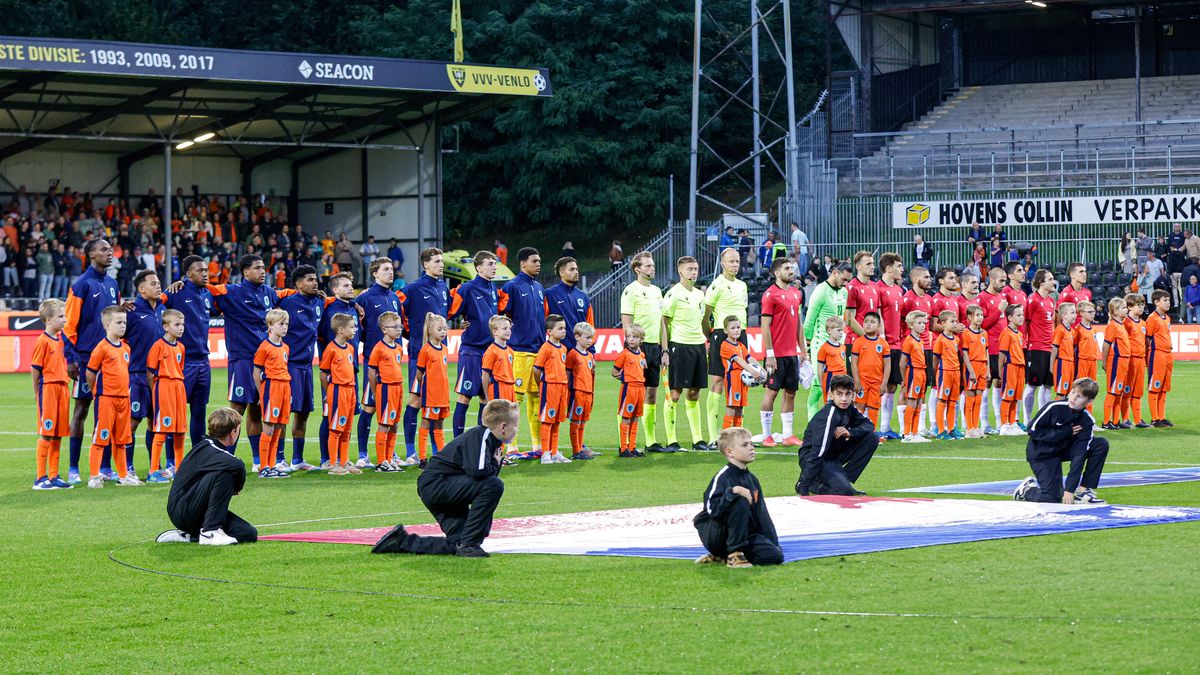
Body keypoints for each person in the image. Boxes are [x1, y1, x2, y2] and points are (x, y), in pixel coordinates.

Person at [370, 399, 519, 558]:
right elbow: (478, 471)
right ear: (503, 426)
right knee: (494, 485)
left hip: (440, 486)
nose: (516, 430)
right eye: (515, 425)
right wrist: (496, 465)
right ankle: (469, 545)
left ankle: (402, 542)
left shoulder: (490, 440)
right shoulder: (483, 435)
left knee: (457, 542)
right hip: (437, 484)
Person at [207, 254, 292, 462]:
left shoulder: (269, 293)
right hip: (242, 360)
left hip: (264, 361)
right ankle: (224, 457)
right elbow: (206, 289)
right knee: (236, 409)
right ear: (245, 271)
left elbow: (287, 293)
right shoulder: (232, 292)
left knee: (256, 409)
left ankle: (257, 460)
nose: (263, 271)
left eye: (264, 267)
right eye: (257, 267)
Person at [157, 407, 258, 546]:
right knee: (225, 473)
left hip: (194, 510)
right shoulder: (208, 448)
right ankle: (211, 531)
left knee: (248, 533)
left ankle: (188, 536)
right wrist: (236, 487)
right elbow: (238, 465)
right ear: (233, 432)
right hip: (182, 510)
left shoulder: (211, 448)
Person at [64, 238, 120, 484]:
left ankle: (106, 467)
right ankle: (73, 468)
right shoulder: (81, 285)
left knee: (106, 413)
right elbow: (68, 325)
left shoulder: (112, 283)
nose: (109, 253)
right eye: (104, 249)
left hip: (111, 358)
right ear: (90, 254)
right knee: (82, 410)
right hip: (86, 358)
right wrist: (71, 358)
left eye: (110, 249)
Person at [693, 426, 783, 568]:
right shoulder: (723, 477)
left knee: (775, 555)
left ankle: (723, 556)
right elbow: (712, 510)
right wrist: (733, 492)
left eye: (751, 444)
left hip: (744, 534)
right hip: (716, 533)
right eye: (745, 445)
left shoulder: (752, 479)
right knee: (740, 500)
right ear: (730, 452)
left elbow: (761, 515)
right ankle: (733, 554)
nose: (751, 448)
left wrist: (773, 543)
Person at [1012, 378, 1108, 505]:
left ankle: (1084, 490)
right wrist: (1064, 432)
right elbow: (1032, 430)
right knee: (1052, 498)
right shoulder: (1053, 407)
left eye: (1079, 396)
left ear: (1089, 401)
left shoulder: (1086, 420)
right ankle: (1026, 490)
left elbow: (1080, 455)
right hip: (1042, 453)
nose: (1073, 398)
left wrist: (1070, 489)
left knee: (1100, 444)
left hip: (1062, 450)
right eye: (1073, 393)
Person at [795, 374, 877, 496]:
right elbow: (818, 451)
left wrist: (850, 432)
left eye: (848, 394)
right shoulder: (829, 414)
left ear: (852, 395)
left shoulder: (849, 408)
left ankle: (844, 479)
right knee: (844, 492)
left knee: (872, 438)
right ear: (831, 395)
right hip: (815, 458)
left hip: (832, 455)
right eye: (839, 394)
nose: (844, 399)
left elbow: (869, 425)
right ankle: (813, 484)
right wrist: (804, 484)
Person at [276, 265, 323, 472]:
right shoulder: (287, 302)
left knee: (303, 413)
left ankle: (297, 459)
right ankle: (279, 459)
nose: (315, 283)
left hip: (307, 366)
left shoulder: (320, 301)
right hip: (290, 366)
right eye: (310, 280)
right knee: (285, 414)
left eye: (316, 279)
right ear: (298, 284)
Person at [499, 247, 546, 458]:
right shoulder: (511, 287)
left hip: (538, 350)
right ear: (523, 264)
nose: (538, 264)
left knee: (536, 397)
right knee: (514, 399)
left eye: (539, 261)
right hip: (519, 351)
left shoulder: (538, 287)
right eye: (534, 261)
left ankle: (537, 446)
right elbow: (501, 315)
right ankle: (511, 447)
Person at [356, 258, 402, 468]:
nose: (390, 273)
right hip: (374, 363)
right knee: (369, 407)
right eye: (385, 269)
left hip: (394, 363)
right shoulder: (365, 297)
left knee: (392, 409)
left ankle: (390, 454)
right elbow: (360, 329)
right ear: (375, 273)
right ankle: (363, 454)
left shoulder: (394, 298)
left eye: (391, 269)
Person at [449, 251, 501, 437]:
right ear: (478, 267)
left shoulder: (493, 288)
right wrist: (459, 323)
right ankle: (457, 442)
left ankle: (481, 441)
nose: (494, 267)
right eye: (490, 264)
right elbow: (450, 310)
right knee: (464, 396)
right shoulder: (467, 288)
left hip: (490, 352)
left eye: (494, 264)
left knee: (484, 398)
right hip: (471, 351)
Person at [86, 306, 138, 487]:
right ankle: (94, 476)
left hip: (123, 398)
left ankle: (123, 476)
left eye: (124, 322)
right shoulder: (101, 348)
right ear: (107, 325)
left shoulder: (126, 348)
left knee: (121, 439)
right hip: (106, 398)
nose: (123, 326)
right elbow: (90, 372)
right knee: (101, 437)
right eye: (118, 322)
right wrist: (98, 392)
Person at [165, 255, 214, 446]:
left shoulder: (208, 293)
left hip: (203, 360)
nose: (205, 273)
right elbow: (152, 303)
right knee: (175, 411)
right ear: (188, 274)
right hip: (182, 363)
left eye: (206, 270)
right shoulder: (176, 292)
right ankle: (171, 461)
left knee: (199, 410)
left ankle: (197, 453)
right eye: (200, 270)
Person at [758, 257, 807, 446]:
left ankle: (787, 435)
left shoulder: (796, 293)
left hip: (791, 354)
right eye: (787, 268)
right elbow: (764, 327)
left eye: (792, 267)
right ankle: (766, 435)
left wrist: (802, 350)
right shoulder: (770, 295)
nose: (791, 270)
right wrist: (769, 354)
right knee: (771, 393)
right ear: (777, 273)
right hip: (776, 355)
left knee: (791, 392)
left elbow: (798, 324)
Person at [661, 255, 708, 453]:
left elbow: (702, 320)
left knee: (695, 393)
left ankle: (698, 439)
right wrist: (665, 349)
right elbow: (664, 322)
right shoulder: (673, 294)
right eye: (689, 269)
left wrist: (706, 341)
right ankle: (672, 440)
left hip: (698, 345)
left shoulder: (700, 295)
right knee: (674, 394)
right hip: (679, 345)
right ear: (680, 271)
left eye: (695, 268)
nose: (693, 272)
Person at [122, 269, 166, 478]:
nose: (158, 286)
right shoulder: (129, 311)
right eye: (153, 283)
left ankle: (154, 467)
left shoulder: (163, 308)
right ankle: (126, 467)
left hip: (159, 376)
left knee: (154, 422)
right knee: (132, 421)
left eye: (159, 283)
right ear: (141, 289)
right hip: (137, 374)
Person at [619, 252, 665, 451]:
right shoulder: (631, 291)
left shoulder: (656, 291)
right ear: (637, 269)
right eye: (647, 266)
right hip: (638, 349)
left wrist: (665, 350)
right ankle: (625, 444)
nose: (651, 268)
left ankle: (650, 441)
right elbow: (627, 323)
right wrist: (631, 350)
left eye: (652, 265)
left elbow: (662, 322)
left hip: (655, 347)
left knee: (651, 395)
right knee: (631, 396)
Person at [704, 248, 749, 445]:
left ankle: (737, 435)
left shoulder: (742, 285)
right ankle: (714, 436)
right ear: (722, 263)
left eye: (737, 261)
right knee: (717, 383)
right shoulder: (717, 285)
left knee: (741, 382)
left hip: (741, 334)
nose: (735, 264)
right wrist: (712, 336)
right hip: (721, 335)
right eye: (731, 261)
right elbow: (706, 314)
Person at [31, 298, 72, 490]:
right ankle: (40, 477)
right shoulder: (42, 341)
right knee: (47, 432)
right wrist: (35, 391)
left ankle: (54, 475)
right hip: (47, 389)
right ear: (48, 319)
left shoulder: (61, 339)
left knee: (58, 433)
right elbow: (35, 368)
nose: (65, 319)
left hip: (62, 388)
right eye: (60, 316)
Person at [803, 261, 851, 420]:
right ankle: (812, 426)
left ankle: (834, 423)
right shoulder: (820, 291)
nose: (846, 283)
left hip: (838, 346)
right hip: (820, 345)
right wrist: (809, 347)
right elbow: (809, 322)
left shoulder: (844, 292)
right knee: (818, 386)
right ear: (835, 272)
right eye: (844, 279)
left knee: (838, 386)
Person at [145, 310, 188, 483]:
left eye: (182, 325)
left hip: (179, 387)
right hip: (163, 386)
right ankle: (153, 470)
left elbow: (180, 368)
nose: (181, 328)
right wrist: (156, 391)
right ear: (165, 326)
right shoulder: (158, 346)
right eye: (177, 325)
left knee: (180, 430)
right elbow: (150, 372)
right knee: (163, 429)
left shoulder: (181, 347)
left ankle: (179, 469)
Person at [253, 309, 292, 478]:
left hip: (285, 386)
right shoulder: (264, 347)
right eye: (281, 324)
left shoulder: (285, 347)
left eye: (286, 324)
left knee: (278, 428)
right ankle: (263, 467)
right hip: (271, 387)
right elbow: (256, 372)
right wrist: (261, 393)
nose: (285, 328)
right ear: (270, 326)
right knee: (268, 427)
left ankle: (272, 464)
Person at [320, 313, 359, 474]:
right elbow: (323, 373)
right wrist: (328, 394)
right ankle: (333, 463)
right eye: (352, 327)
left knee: (347, 429)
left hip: (351, 390)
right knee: (336, 428)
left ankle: (344, 462)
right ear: (341, 330)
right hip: (337, 391)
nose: (355, 330)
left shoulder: (350, 348)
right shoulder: (331, 349)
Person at [410, 314, 451, 466]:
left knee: (440, 425)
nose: (443, 332)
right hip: (431, 396)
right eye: (439, 329)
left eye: (445, 329)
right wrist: (427, 388)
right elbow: (419, 374)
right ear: (430, 331)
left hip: (443, 395)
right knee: (426, 423)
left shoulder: (445, 349)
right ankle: (422, 458)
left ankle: (441, 457)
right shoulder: (426, 350)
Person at [874, 253, 905, 440]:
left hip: (897, 343)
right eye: (899, 266)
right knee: (879, 385)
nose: (902, 270)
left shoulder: (899, 290)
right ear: (888, 268)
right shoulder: (878, 289)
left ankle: (885, 427)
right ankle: (871, 426)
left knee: (892, 385)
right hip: (882, 344)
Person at [901, 266, 935, 435]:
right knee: (906, 389)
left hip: (926, 347)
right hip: (911, 348)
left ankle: (919, 428)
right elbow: (901, 322)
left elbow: (930, 325)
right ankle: (905, 429)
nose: (929, 280)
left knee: (922, 390)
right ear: (915, 279)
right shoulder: (907, 299)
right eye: (926, 277)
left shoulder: (929, 298)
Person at [533, 314, 571, 464]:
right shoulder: (546, 348)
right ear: (549, 332)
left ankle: (554, 452)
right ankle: (545, 453)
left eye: (564, 328)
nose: (563, 331)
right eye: (560, 328)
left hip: (562, 387)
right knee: (547, 420)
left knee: (557, 420)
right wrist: (540, 385)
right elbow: (536, 369)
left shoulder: (563, 348)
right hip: (549, 387)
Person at [719, 316, 765, 430]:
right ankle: (726, 437)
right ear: (725, 331)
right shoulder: (725, 345)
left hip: (742, 380)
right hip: (732, 379)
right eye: (733, 328)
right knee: (731, 407)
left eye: (738, 327)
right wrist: (753, 371)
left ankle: (737, 435)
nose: (736, 330)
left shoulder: (740, 345)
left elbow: (749, 358)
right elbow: (739, 360)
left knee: (740, 408)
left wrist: (761, 369)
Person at [1024, 270, 1058, 421]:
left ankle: (1042, 419)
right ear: (1041, 282)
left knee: (1047, 385)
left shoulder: (1051, 300)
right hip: (1036, 347)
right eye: (1050, 279)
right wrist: (1026, 342)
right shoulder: (1033, 300)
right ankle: (1027, 419)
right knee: (1032, 385)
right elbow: (1026, 322)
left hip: (1049, 347)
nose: (1053, 282)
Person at [978, 267, 1008, 434]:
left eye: (1005, 280)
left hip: (1003, 347)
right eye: (1001, 280)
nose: (1004, 284)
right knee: (986, 384)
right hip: (990, 347)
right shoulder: (982, 298)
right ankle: (984, 423)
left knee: (1000, 382)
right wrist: (999, 310)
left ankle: (999, 422)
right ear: (992, 280)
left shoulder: (1001, 296)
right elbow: (983, 324)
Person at [543, 256, 594, 352]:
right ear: (562, 273)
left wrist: (591, 351)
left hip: (581, 353)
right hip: (558, 351)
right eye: (572, 269)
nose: (576, 272)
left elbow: (590, 326)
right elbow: (543, 322)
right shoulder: (550, 294)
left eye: (576, 269)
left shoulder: (583, 296)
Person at [850, 312, 890, 429]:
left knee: (874, 408)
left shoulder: (883, 344)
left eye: (872, 322)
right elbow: (854, 363)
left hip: (877, 382)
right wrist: (857, 381)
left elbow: (887, 365)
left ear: (878, 327)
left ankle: (871, 433)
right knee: (859, 407)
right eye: (866, 321)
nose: (868, 324)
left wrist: (884, 383)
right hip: (862, 381)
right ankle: (857, 433)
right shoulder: (858, 342)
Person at [613, 325, 648, 458]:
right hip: (629, 388)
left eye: (635, 337)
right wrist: (626, 379)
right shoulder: (624, 354)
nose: (631, 339)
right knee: (626, 417)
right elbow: (614, 372)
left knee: (635, 417)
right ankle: (623, 448)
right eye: (629, 337)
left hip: (640, 388)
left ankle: (632, 447)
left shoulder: (642, 355)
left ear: (641, 339)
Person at [931, 310, 965, 440]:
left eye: (956, 321)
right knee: (942, 400)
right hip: (945, 372)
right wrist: (935, 374)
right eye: (952, 321)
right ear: (943, 323)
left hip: (955, 372)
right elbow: (935, 359)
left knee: (953, 401)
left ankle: (951, 429)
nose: (955, 323)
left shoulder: (956, 339)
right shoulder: (940, 339)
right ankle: (940, 430)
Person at [566, 323, 597, 460]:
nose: (590, 340)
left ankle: (580, 449)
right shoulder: (572, 354)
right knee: (576, 421)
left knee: (583, 421)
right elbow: (567, 374)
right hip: (577, 392)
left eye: (592, 338)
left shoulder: (590, 356)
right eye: (587, 337)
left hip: (588, 393)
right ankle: (575, 451)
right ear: (577, 337)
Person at [1099, 297, 1130, 431]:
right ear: (1115, 311)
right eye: (1123, 308)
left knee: (1118, 392)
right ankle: (1106, 422)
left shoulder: (1120, 324)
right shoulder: (1112, 325)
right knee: (1112, 391)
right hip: (1116, 361)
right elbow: (1106, 345)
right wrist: (1104, 361)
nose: (1127, 310)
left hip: (1123, 361)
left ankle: (1116, 421)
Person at [900, 311, 930, 443]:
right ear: (911, 325)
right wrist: (904, 379)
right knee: (911, 401)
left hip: (921, 373)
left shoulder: (921, 341)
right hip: (913, 373)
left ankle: (915, 432)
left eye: (924, 323)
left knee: (918, 402)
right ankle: (907, 434)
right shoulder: (909, 341)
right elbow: (902, 362)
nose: (923, 325)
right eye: (919, 323)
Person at [1145, 290, 1174, 427]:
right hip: (1157, 354)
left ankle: (1161, 417)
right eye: (1164, 300)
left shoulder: (1167, 318)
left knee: (1164, 387)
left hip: (1168, 354)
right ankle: (1154, 419)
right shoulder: (1152, 318)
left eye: (1168, 300)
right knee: (1155, 386)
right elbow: (1148, 339)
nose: (1168, 303)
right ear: (1156, 302)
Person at [960, 305, 989, 439]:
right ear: (970, 317)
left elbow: (986, 351)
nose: (980, 318)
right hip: (972, 366)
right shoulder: (966, 333)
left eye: (981, 315)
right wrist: (971, 371)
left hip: (983, 367)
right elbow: (965, 354)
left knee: (979, 398)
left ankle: (976, 426)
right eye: (977, 315)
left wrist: (988, 370)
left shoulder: (984, 333)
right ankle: (969, 427)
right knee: (970, 398)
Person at [998, 304, 1026, 435]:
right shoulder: (1006, 333)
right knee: (1007, 396)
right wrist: (999, 373)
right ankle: (1004, 425)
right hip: (1010, 367)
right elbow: (1002, 355)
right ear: (1009, 317)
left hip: (1020, 367)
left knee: (1016, 397)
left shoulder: (1019, 334)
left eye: (1022, 314)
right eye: (1018, 315)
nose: (1022, 317)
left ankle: (1013, 422)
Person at [1121, 294, 1149, 429]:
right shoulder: (1125, 322)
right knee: (1127, 390)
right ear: (1130, 307)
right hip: (1130, 360)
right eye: (1139, 305)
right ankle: (1125, 419)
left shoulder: (1143, 323)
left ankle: (1138, 420)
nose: (1142, 307)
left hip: (1140, 360)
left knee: (1138, 391)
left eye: (1143, 304)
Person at [815, 316, 848, 402]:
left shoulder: (843, 347)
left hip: (843, 375)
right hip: (831, 376)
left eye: (842, 330)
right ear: (829, 331)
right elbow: (819, 368)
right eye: (838, 330)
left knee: (842, 401)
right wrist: (821, 384)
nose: (841, 333)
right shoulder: (824, 348)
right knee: (830, 402)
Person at [1050, 303, 1078, 402]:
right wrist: (1052, 365)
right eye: (1072, 313)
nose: (1075, 315)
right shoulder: (1060, 330)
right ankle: (1057, 416)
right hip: (1062, 363)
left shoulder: (1072, 331)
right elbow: (1054, 348)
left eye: (1075, 312)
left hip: (1070, 364)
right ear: (1064, 315)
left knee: (1068, 392)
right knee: (1061, 392)